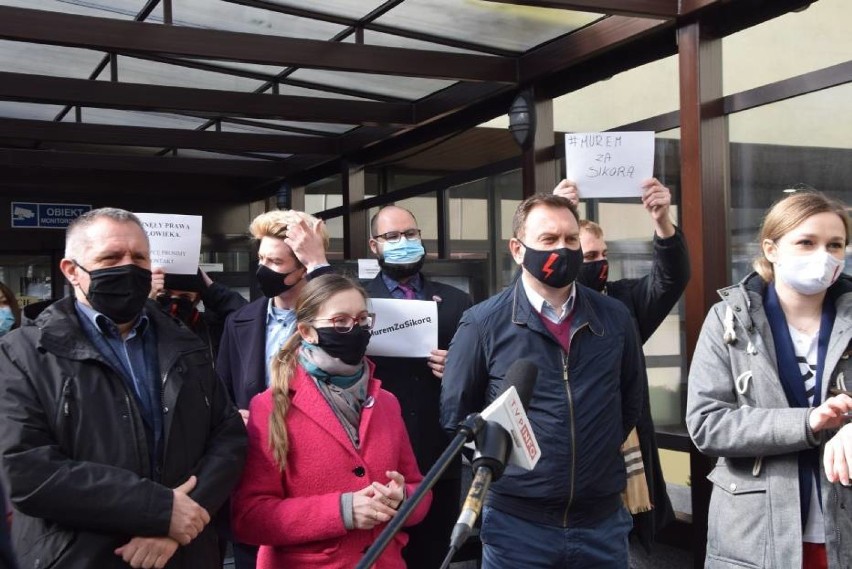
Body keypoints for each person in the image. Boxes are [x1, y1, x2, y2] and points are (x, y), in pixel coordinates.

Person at [0, 207, 247, 569]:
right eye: (111, 258)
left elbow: (228, 439)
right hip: (80, 557)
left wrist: (178, 524)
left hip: (184, 552)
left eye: (139, 257)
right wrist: (159, 510)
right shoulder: (22, 353)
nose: (128, 267)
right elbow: (26, 471)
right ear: (71, 271)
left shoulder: (185, 342)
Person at [441, 193, 646, 568]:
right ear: (518, 250)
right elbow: (457, 416)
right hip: (517, 527)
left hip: (602, 523)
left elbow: (630, 401)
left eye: (570, 240)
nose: (563, 250)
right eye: (549, 240)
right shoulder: (482, 323)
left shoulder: (614, 317)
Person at [686, 190, 852, 569]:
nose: (823, 255)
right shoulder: (728, 320)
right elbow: (707, 423)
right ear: (771, 249)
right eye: (806, 242)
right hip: (756, 533)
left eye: (835, 244)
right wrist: (807, 422)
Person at [231, 273, 431, 569]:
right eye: (340, 322)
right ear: (307, 331)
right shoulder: (270, 407)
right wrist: (342, 511)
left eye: (363, 320)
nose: (356, 329)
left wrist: (402, 499)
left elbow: (419, 490)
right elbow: (250, 518)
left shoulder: (387, 402)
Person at [555, 177, 691, 548]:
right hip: (563, 459)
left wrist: (662, 221)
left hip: (623, 449)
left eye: (602, 255)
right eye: (587, 257)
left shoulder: (622, 303)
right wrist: (555, 214)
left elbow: (670, 278)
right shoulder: (543, 311)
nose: (598, 264)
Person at [216, 209, 333, 568]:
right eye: (261, 258)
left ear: (302, 268)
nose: (264, 268)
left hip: (318, 479)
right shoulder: (240, 321)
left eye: (276, 261)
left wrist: (320, 264)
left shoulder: (333, 319)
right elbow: (220, 395)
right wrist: (235, 419)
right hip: (257, 475)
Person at [364, 205, 473, 569]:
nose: (404, 243)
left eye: (411, 234)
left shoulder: (457, 302)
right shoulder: (358, 300)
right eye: (392, 237)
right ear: (374, 245)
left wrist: (457, 369)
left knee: (435, 554)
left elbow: (480, 374)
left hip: (439, 452)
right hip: (377, 451)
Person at [150, 268, 248, 359]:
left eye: (185, 297)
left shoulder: (209, 329)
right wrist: (146, 301)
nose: (174, 303)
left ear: (196, 299)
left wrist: (211, 288)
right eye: (165, 294)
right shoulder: (144, 328)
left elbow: (248, 319)